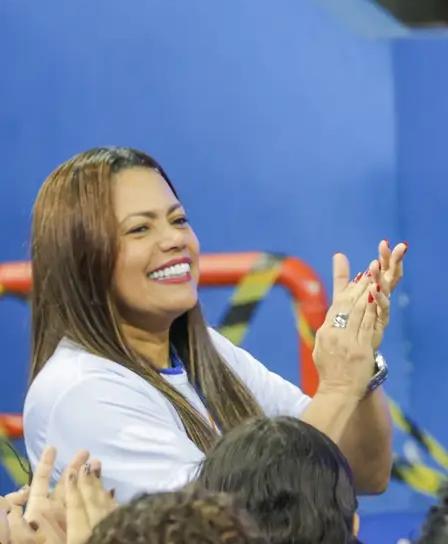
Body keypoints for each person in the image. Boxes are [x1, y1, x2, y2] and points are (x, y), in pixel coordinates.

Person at [21, 147, 406, 500]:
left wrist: (360, 361)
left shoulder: (205, 352)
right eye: (140, 228)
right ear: (82, 259)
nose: (175, 239)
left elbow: (364, 471)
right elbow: (222, 522)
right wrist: (338, 387)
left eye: (179, 220)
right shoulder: (80, 392)